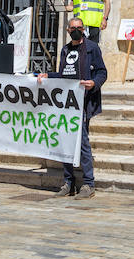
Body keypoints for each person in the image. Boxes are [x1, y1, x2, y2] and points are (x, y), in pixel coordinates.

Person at [39, 17, 107, 199]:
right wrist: (49, 76)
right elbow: (63, 74)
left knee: (83, 142)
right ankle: (68, 182)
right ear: (68, 31)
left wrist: (94, 83)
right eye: (73, 28)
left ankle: (88, 183)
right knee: (65, 142)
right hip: (66, 103)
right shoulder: (65, 49)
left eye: (80, 27)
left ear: (83, 29)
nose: (76, 30)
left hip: (84, 102)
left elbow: (102, 71)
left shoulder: (92, 48)